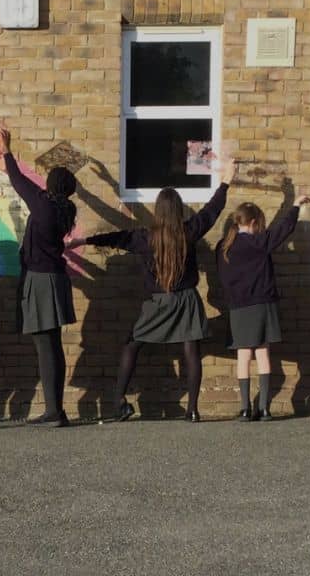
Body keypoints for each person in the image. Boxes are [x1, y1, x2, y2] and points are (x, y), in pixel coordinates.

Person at [79, 157, 233, 423]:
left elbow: (116, 238)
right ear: (179, 210)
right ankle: (192, 410)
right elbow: (212, 210)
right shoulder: (190, 231)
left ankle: (119, 401)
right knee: (191, 351)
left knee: (131, 345)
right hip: (187, 300)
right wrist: (226, 181)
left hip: (158, 303)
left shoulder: (145, 237)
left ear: (158, 211)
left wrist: (83, 240)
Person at [213, 189, 310, 421]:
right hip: (262, 305)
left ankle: (245, 408)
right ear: (253, 222)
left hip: (238, 307)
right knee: (262, 354)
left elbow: (221, 277)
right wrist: (295, 206)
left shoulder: (223, 247)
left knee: (243, 356)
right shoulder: (259, 242)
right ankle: (265, 408)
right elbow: (283, 229)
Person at [1, 131, 80, 427]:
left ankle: (53, 411)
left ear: (51, 186)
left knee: (45, 346)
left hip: (41, 280)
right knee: (53, 345)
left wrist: (6, 149)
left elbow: (17, 180)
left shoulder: (44, 205)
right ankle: (55, 409)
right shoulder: (64, 208)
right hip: (55, 278)